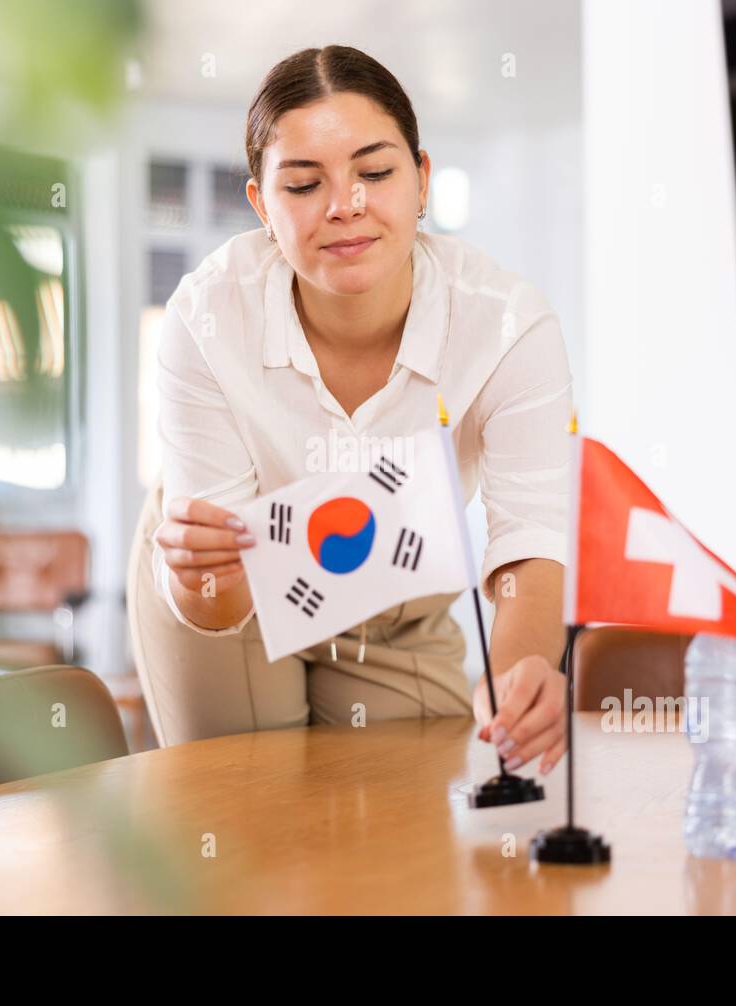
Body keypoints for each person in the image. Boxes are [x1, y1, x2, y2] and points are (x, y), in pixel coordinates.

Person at [127, 44, 573, 777]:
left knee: (404, 829)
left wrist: (523, 672)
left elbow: (531, 537)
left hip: (393, 600)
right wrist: (204, 574)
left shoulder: (508, 325)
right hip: (233, 581)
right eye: (303, 184)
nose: (346, 206)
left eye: (375, 172)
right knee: (255, 817)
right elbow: (213, 603)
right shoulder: (206, 316)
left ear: (422, 179)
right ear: (261, 207)